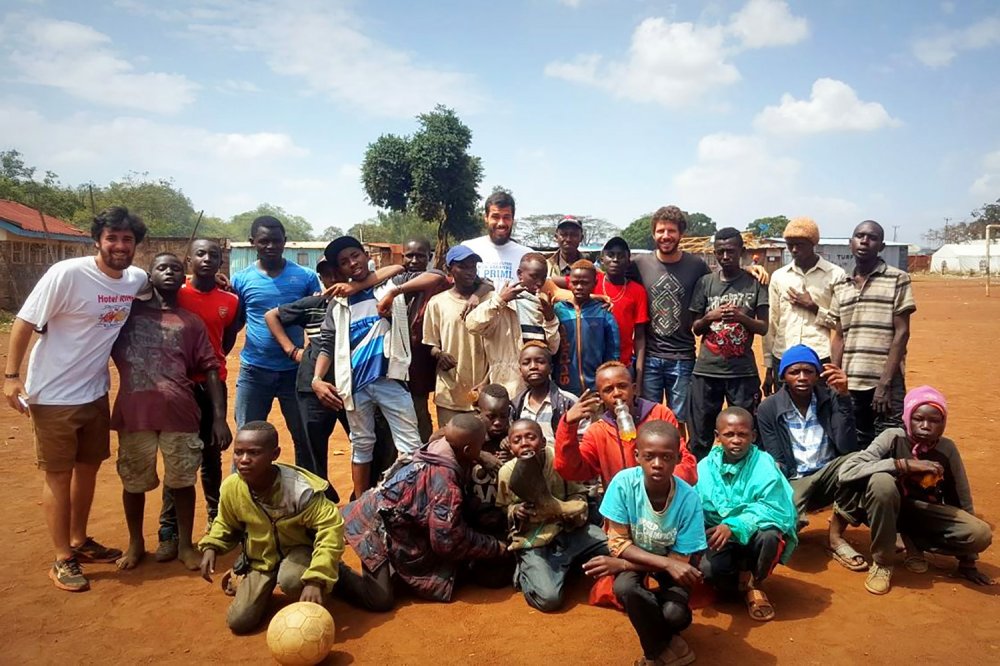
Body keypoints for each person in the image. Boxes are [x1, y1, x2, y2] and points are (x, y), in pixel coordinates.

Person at [3, 206, 148, 591]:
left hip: (95, 392)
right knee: (57, 474)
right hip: (52, 394)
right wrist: (12, 376)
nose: (119, 245)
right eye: (112, 238)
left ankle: (79, 540)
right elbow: (24, 322)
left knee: (88, 469)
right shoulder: (67, 274)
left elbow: (162, 287)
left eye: (127, 239)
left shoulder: (134, 278)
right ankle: (62, 557)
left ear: (135, 245)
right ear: (97, 240)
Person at [110, 252, 232, 571]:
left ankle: (185, 545)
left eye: (175, 269)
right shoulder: (127, 315)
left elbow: (210, 368)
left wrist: (218, 418)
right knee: (134, 482)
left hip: (180, 411)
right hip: (135, 413)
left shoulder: (190, 322)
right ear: (149, 275)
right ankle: (136, 542)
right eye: (161, 267)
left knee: (181, 480)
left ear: (184, 278)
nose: (169, 273)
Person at [314, 236, 448, 499]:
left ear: (365, 255)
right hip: (354, 385)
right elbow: (327, 343)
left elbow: (436, 276)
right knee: (361, 445)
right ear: (339, 271)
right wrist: (317, 378)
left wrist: (393, 293)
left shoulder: (390, 284)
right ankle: (362, 503)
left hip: (391, 379)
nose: (352, 263)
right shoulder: (338, 302)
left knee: (410, 445)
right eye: (344, 262)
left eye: (355, 256)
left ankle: (414, 500)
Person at [337, 414, 508, 611]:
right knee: (380, 599)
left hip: (400, 520)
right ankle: (339, 574)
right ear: (468, 450)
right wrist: (496, 547)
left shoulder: (441, 446)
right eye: (481, 446)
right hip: (373, 526)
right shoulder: (444, 481)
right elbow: (447, 542)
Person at [838, 386, 993, 595]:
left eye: (934, 420)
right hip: (883, 509)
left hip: (923, 513)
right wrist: (902, 465)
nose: (926, 426)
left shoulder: (947, 449)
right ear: (907, 418)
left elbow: (960, 499)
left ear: (944, 422)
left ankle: (914, 541)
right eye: (918, 419)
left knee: (980, 534)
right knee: (881, 482)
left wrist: (968, 561)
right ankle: (883, 563)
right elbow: (848, 471)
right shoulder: (892, 437)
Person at [198, 422, 345, 634]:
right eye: (238, 453)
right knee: (239, 622)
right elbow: (225, 522)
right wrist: (212, 545)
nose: (244, 460)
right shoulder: (232, 487)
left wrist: (317, 578)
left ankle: (325, 576)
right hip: (261, 558)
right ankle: (242, 576)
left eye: (254, 453)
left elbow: (331, 528)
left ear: (274, 453)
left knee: (293, 581)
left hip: (299, 550)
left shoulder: (299, 489)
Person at [582, 420, 706, 666]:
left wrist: (621, 566)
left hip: (647, 560)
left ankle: (659, 638)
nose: (657, 464)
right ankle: (661, 651)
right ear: (637, 456)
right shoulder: (623, 484)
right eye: (649, 456)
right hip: (638, 556)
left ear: (677, 458)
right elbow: (618, 544)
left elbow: (679, 563)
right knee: (625, 589)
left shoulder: (689, 499)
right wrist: (662, 564)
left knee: (675, 615)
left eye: (666, 457)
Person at [157, 238, 240, 563]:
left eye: (214, 255)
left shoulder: (230, 300)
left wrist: (212, 365)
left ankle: (215, 520)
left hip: (212, 385)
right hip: (176, 386)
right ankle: (169, 530)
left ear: (221, 262)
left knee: (210, 456)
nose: (207, 259)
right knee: (178, 457)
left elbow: (228, 339)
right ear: (188, 259)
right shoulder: (174, 292)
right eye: (200, 254)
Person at [757, 345, 865, 570]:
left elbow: (847, 447)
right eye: (794, 372)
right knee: (787, 528)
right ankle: (795, 516)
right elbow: (777, 458)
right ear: (783, 376)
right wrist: (787, 501)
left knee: (855, 461)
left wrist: (844, 398)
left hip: (829, 473)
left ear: (818, 375)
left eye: (809, 371)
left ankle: (836, 538)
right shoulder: (769, 407)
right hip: (794, 479)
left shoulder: (831, 399)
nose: (802, 377)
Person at [696, 407, 798, 622]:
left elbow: (773, 507)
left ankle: (755, 584)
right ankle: (738, 581)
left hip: (755, 534)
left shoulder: (765, 464)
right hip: (719, 536)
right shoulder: (704, 467)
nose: (736, 440)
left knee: (770, 535)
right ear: (717, 436)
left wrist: (734, 524)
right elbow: (696, 508)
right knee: (708, 570)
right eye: (729, 434)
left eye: (742, 434)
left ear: (753, 436)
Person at [496, 419, 608, 612]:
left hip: (569, 531)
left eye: (531, 437)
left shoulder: (558, 460)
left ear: (542, 441)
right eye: (517, 440)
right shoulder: (506, 472)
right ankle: (526, 572)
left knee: (611, 547)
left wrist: (560, 509)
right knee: (549, 600)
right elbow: (504, 507)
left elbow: (579, 497)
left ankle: (564, 568)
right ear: (511, 447)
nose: (524, 443)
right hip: (535, 539)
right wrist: (516, 511)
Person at [231, 216, 320, 458]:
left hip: (294, 372)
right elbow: (236, 321)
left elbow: (316, 319)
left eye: (276, 241)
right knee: (246, 438)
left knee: (304, 437)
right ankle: (242, 494)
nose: (270, 246)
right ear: (253, 243)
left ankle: (306, 492)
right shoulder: (241, 279)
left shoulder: (306, 277)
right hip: (254, 372)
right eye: (264, 241)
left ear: (285, 242)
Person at [830, 220, 916, 448]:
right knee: (854, 445)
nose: (865, 241)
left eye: (872, 237)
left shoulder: (898, 279)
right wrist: (836, 376)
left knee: (890, 444)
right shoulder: (841, 284)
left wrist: (884, 384)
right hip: (850, 382)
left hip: (885, 383)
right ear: (851, 243)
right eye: (859, 236)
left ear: (881, 246)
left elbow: (902, 333)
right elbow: (839, 335)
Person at [687, 227, 769, 460]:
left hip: (742, 372)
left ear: (741, 251)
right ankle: (701, 483)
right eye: (720, 252)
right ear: (714, 252)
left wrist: (741, 317)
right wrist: (709, 317)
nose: (725, 257)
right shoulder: (705, 283)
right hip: (707, 370)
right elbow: (695, 327)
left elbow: (763, 327)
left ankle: (745, 481)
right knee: (701, 434)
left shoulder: (755, 283)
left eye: (731, 251)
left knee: (744, 431)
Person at [555, 361, 697, 488]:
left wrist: (655, 484)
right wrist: (568, 424)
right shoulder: (598, 431)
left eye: (622, 386)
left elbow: (686, 465)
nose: (616, 393)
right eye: (608, 390)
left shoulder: (659, 414)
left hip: (662, 503)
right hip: (621, 509)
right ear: (601, 397)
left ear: (634, 388)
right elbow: (571, 470)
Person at [631, 206, 710, 420]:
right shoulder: (638, 265)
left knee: (681, 419)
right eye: (660, 231)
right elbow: (608, 279)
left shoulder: (697, 266)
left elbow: (720, 284)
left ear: (681, 234)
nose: (666, 236)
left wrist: (750, 271)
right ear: (653, 234)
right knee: (648, 419)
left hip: (683, 357)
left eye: (671, 231)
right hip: (649, 358)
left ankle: (681, 455)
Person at [762, 217, 846, 395]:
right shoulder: (779, 277)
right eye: (789, 244)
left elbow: (842, 325)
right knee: (783, 411)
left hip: (819, 357)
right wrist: (769, 366)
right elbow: (772, 323)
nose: (793, 250)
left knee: (821, 410)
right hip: (783, 356)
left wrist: (813, 307)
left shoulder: (835, 275)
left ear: (813, 243)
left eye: (799, 244)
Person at [465, 252, 561, 398]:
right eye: (534, 276)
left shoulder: (544, 305)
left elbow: (552, 348)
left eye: (543, 277)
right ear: (519, 274)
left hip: (538, 387)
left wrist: (550, 319)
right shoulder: (498, 301)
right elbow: (472, 324)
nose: (539, 282)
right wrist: (500, 301)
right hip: (507, 386)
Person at [423, 246, 492, 426]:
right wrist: (439, 354)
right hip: (450, 391)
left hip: (483, 390)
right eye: (463, 267)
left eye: (473, 267)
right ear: (449, 270)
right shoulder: (437, 303)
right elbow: (430, 343)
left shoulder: (489, 300)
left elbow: (498, 347)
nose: (469, 272)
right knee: (451, 446)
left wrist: (487, 381)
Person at [401, 237, 446, 441]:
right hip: (398, 358)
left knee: (419, 408)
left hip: (423, 359)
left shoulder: (435, 280)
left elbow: (438, 276)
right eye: (409, 255)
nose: (414, 260)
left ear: (429, 257)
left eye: (420, 255)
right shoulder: (397, 278)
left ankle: (425, 452)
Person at [553, 260, 620, 396]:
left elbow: (613, 351)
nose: (579, 287)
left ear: (594, 283)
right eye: (575, 282)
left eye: (584, 283)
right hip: (564, 387)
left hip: (596, 389)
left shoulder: (603, 312)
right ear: (569, 283)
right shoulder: (558, 310)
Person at [461, 190, 533, 290]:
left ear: (513, 219)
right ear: (486, 218)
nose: (501, 223)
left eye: (506, 217)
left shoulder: (528, 255)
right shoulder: (468, 249)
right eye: (495, 217)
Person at [595, 236, 649, 368]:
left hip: (623, 364)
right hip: (593, 365)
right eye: (610, 255)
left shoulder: (637, 291)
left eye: (621, 256)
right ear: (602, 259)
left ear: (628, 261)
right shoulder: (591, 281)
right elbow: (552, 284)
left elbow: (640, 337)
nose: (615, 260)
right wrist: (591, 296)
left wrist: (639, 376)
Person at [512, 342, 578, 445]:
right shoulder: (515, 406)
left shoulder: (569, 402)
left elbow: (582, 440)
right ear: (520, 370)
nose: (533, 367)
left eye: (540, 361)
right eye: (526, 363)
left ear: (551, 368)